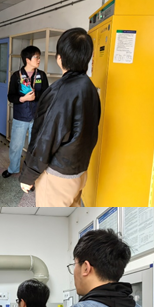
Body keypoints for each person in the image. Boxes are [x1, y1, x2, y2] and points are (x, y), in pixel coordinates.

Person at [19, 28, 100, 207]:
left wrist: (28, 175)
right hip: (79, 171)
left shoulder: (60, 91)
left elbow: (46, 138)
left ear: (59, 58)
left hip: (58, 175)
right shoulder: (90, 87)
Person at [3, 46, 49, 179]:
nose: (39, 60)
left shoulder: (41, 75)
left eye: (39, 57)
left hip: (37, 117)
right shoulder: (16, 76)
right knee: (16, 146)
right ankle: (13, 168)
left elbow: (47, 94)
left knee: (34, 147)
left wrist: (36, 95)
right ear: (27, 59)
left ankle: (31, 173)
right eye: (36, 57)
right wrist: (22, 99)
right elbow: (11, 96)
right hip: (21, 116)